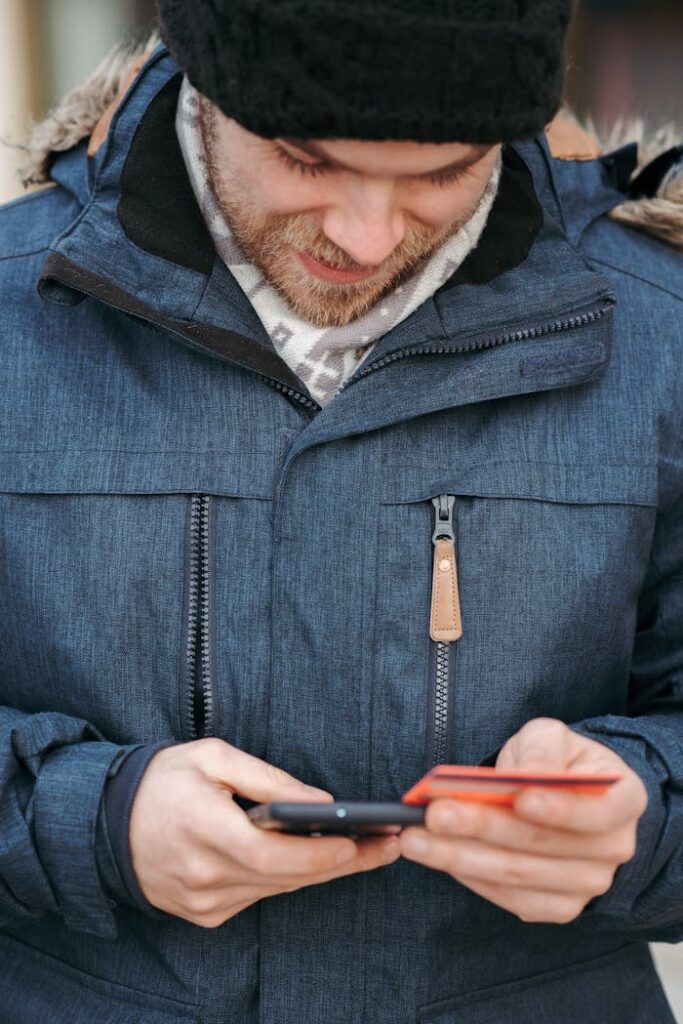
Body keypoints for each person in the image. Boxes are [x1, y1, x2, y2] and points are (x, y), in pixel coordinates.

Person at [1, 1, 682, 1021]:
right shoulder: (14, 315)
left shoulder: (660, 331)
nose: (363, 238)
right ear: (206, 84)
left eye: (442, 173)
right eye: (304, 160)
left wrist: (642, 814)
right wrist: (88, 820)